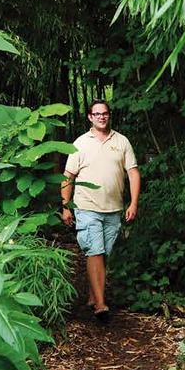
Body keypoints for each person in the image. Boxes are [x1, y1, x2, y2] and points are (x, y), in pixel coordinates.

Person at [60, 100, 139, 322]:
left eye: (105, 114)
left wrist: (133, 203)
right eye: (97, 114)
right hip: (87, 207)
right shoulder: (80, 143)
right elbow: (68, 177)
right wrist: (66, 207)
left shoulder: (121, 141)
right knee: (94, 251)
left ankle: (93, 296)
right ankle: (101, 304)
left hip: (113, 209)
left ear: (109, 116)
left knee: (102, 253)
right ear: (90, 117)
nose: (101, 117)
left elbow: (132, 172)